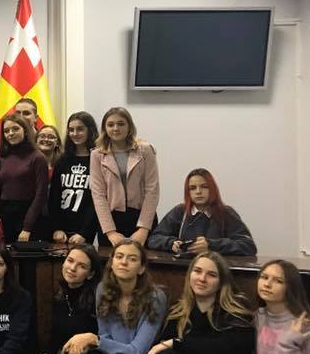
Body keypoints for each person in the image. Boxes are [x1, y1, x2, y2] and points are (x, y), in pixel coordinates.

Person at [90, 107, 160, 248]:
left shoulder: (146, 150)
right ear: (105, 128)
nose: (116, 128)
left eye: (121, 124)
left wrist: (143, 229)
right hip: (111, 221)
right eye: (110, 125)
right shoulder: (97, 155)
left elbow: (152, 191)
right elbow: (98, 196)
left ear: (129, 127)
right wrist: (111, 233)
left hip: (142, 219)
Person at [147, 168, 257, 256]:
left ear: (212, 189)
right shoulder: (180, 211)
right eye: (192, 188)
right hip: (183, 269)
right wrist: (171, 244)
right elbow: (153, 239)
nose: (198, 192)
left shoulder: (226, 213)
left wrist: (210, 245)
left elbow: (248, 245)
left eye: (204, 187)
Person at [0, 114, 49, 243]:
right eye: (6, 131)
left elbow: (41, 195)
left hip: (30, 219)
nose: (10, 133)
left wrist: (27, 227)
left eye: (15, 129)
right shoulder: (1, 160)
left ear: (25, 130)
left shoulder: (38, 158)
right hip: (5, 219)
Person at [49, 112, 100, 246]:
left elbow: (98, 200)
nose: (75, 133)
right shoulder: (62, 160)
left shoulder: (98, 159)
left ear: (90, 130)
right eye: (71, 130)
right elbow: (54, 196)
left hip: (85, 230)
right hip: (61, 230)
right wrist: (56, 228)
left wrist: (85, 233)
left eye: (80, 129)